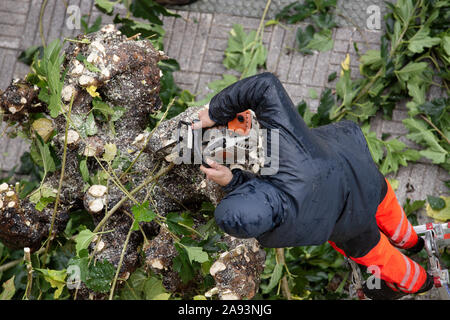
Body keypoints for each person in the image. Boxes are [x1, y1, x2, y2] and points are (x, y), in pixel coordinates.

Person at [195, 72, 433, 300]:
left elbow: (273, 203)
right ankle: (412, 241)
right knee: (391, 213)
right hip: (362, 174)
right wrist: (215, 111)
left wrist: (232, 181)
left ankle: (421, 282)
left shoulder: (273, 235)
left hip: (351, 227)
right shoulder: (285, 159)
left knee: (383, 258)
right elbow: (265, 85)